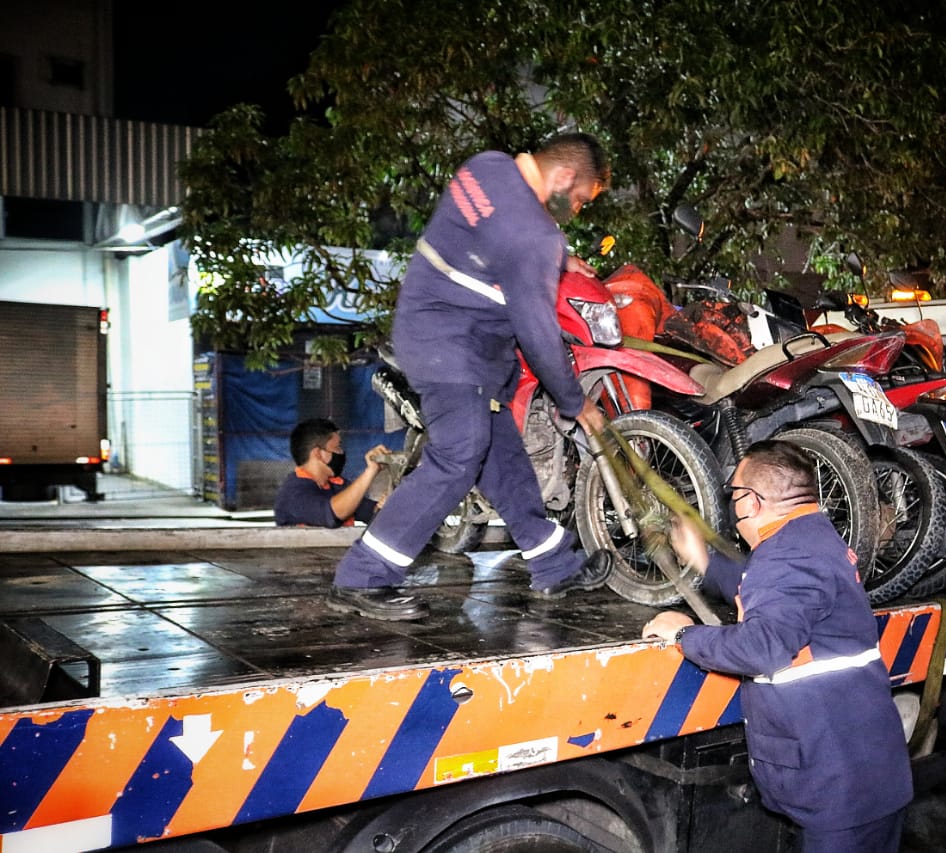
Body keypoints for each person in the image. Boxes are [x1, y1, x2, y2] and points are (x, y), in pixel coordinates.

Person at [327, 132, 616, 621]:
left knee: (499, 456)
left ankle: (553, 563)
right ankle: (363, 576)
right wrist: (576, 402)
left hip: (433, 330)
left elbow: (485, 234)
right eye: (583, 200)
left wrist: (555, 260)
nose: (578, 210)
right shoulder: (536, 236)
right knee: (458, 455)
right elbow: (538, 333)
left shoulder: (486, 167)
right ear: (565, 178)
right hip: (453, 350)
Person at [643, 439, 913, 853]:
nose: (733, 506)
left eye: (733, 494)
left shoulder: (787, 556)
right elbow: (774, 592)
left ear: (751, 503)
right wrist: (704, 560)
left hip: (838, 790)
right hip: (861, 774)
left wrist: (684, 634)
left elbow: (762, 647)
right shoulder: (813, 538)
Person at [274, 418, 391, 528]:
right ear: (318, 454)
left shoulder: (337, 485)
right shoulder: (293, 493)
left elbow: (371, 514)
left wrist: (383, 506)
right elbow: (333, 514)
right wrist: (371, 471)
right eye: (337, 447)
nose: (341, 452)